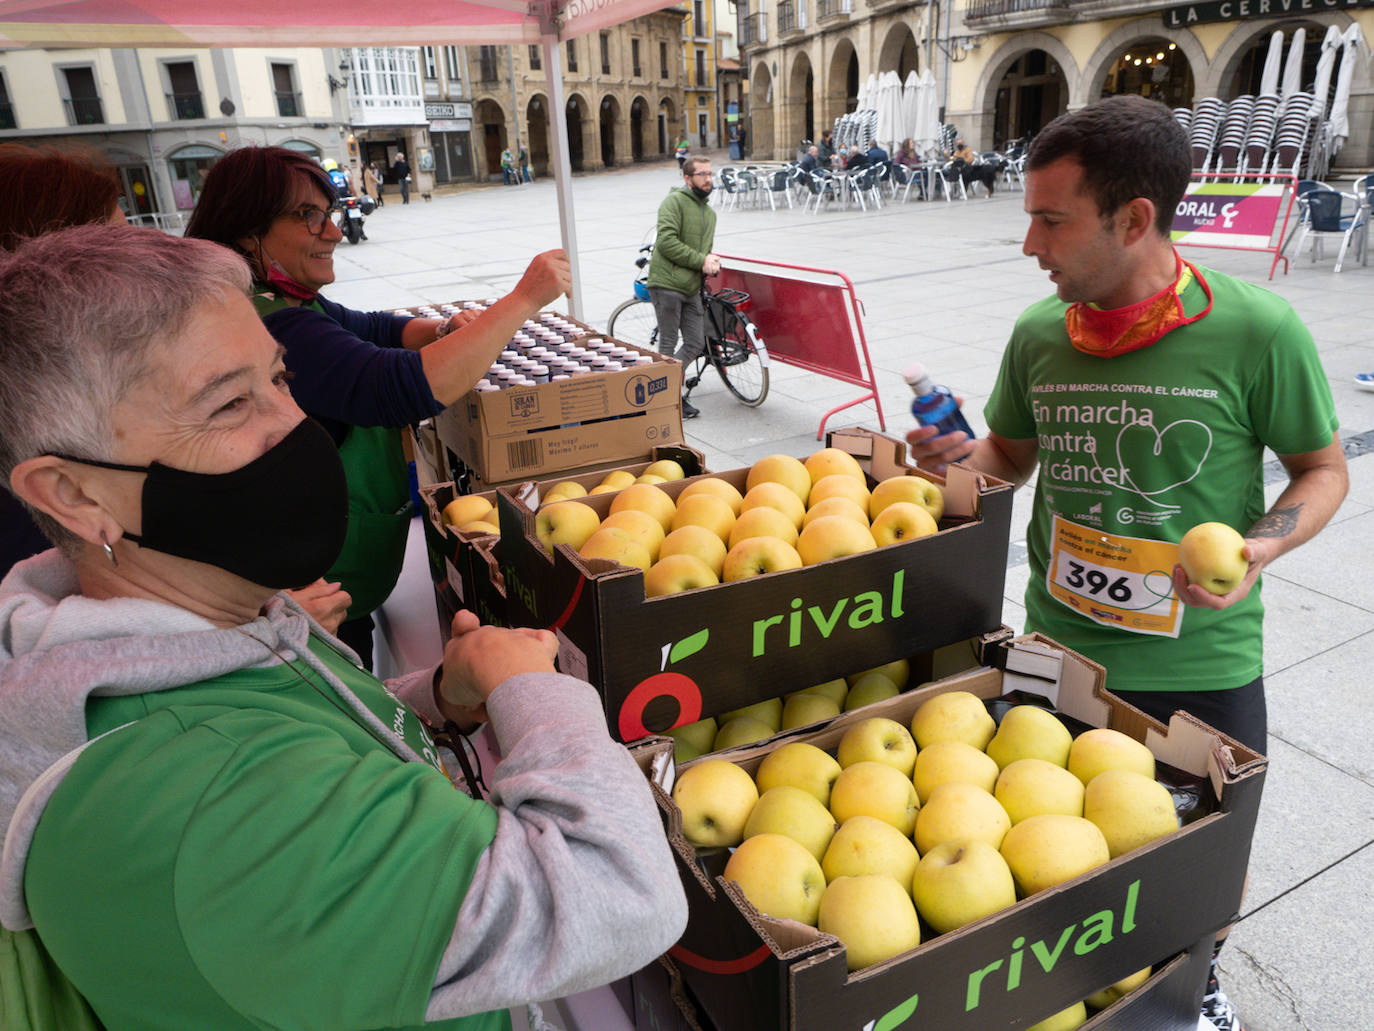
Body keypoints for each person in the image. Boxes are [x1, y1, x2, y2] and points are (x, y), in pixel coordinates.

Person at [0, 223, 687, 1031]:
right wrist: (529, 685)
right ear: (74, 494)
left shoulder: (166, 635)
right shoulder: (213, 806)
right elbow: (620, 890)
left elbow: (288, 719)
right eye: (227, 403)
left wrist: (431, 695)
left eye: (280, 378)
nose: (292, 426)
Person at [908, 95, 1348, 1031]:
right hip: (1059, 660)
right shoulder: (1039, 334)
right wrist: (954, 471)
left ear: (1134, 217)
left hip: (1201, 671)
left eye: (1051, 218)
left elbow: (1324, 467)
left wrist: (1265, 543)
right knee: (1045, 883)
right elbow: (1010, 456)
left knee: (1191, 881)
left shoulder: (1258, 329)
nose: (1029, 243)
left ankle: (1197, 975)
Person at [186, 146, 570, 668]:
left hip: (328, 587)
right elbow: (402, 388)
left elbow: (371, 326)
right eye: (309, 217)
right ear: (247, 230)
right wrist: (523, 300)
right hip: (302, 611)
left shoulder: (290, 302)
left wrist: (441, 329)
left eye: (332, 213)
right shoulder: (269, 326)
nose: (335, 232)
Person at [647, 154, 719, 421]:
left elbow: (704, 250)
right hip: (666, 283)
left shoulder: (709, 213)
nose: (708, 179)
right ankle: (667, 400)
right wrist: (701, 260)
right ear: (688, 178)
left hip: (690, 287)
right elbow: (666, 242)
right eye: (702, 174)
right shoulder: (673, 201)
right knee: (668, 341)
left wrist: (710, 261)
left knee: (696, 342)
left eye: (710, 174)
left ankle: (662, 388)